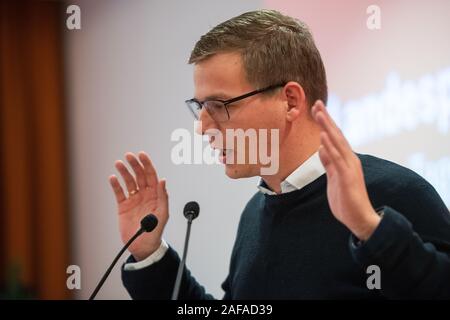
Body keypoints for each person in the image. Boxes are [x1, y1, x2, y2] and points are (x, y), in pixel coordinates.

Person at [109, 10, 450, 299]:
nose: (201, 127)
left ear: (290, 101)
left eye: (219, 105)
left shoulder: (396, 192)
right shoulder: (255, 214)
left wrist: (369, 227)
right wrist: (149, 251)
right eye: (200, 107)